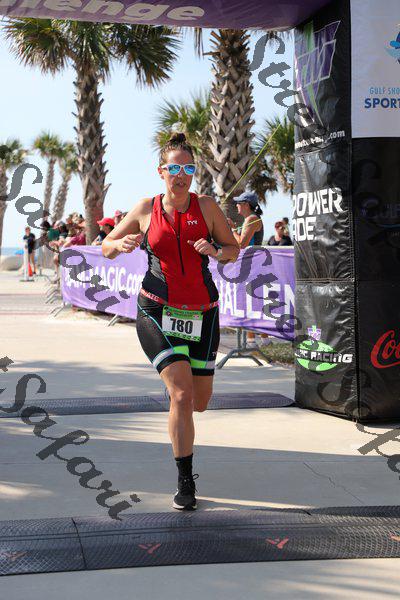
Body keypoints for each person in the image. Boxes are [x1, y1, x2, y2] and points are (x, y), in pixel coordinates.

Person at [102, 132, 239, 511]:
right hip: (156, 309)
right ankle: (185, 480)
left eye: (188, 169)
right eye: (174, 169)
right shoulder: (145, 209)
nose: (181, 176)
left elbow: (233, 249)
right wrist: (120, 244)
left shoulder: (206, 207)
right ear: (161, 171)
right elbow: (106, 246)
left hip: (203, 312)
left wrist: (216, 250)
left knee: (199, 402)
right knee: (181, 394)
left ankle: (180, 392)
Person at [227, 191, 266, 346]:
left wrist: (232, 230)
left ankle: (254, 340)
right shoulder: (249, 219)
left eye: (239, 203)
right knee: (254, 302)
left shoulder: (252, 219)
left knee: (253, 302)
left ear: (246, 205)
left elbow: (241, 244)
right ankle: (260, 339)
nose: (236, 205)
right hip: (251, 266)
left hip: (253, 266)